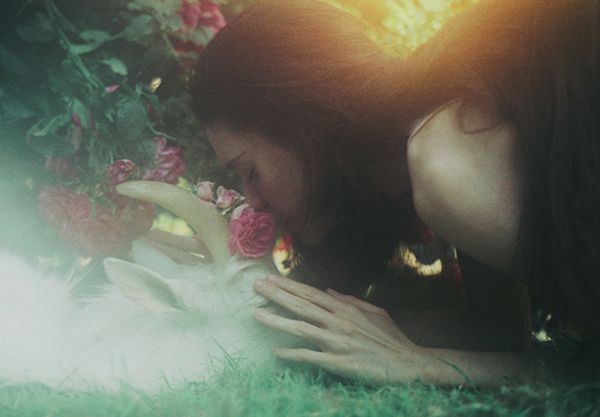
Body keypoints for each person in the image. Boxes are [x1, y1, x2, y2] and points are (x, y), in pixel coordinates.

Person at [185, 0, 600, 385]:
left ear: (301, 123)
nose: (252, 200)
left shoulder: (445, 167)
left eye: (250, 170)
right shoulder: (449, 132)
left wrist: (420, 364)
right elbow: (498, 334)